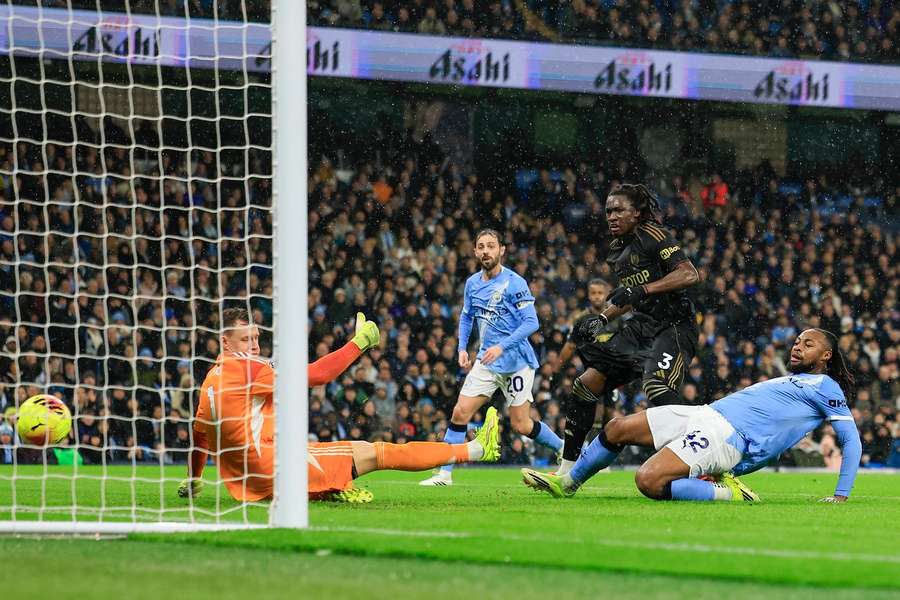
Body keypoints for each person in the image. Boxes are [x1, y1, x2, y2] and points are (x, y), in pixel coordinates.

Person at [179, 308, 501, 504]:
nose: (254, 345)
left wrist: (194, 480)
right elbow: (319, 375)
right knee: (377, 452)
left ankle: (330, 487)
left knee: (352, 453)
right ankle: (475, 450)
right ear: (225, 342)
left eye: (256, 338)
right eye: (245, 340)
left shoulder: (211, 380)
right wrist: (359, 343)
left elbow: (201, 438)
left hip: (248, 481)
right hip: (273, 468)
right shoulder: (249, 370)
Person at [522, 329, 862, 503]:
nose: (798, 346)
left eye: (808, 344)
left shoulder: (826, 386)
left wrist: (841, 493)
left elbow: (850, 440)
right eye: (798, 341)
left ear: (826, 355)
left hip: (727, 438)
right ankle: (567, 484)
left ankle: (729, 493)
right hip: (705, 413)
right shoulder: (796, 380)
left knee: (649, 481)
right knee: (616, 427)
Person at [555, 183, 700, 479]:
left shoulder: (653, 234)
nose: (612, 216)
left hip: (673, 326)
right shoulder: (617, 251)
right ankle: (566, 470)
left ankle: (704, 458)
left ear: (637, 213)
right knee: (586, 384)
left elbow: (689, 274)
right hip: (641, 327)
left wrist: (642, 290)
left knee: (656, 387)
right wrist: (604, 317)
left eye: (619, 210)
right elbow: (627, 298)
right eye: (608, 211)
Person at [419, 229, 563, 486]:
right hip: (486, 362)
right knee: (460, 412)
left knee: (521, 425)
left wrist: (502, 346)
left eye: (491, 246)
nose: (486, 251)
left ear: (501, 250)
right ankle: (444, 475)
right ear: (475, 251)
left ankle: (563, 448)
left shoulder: (515, 282)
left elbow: (532, 322)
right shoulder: (472, 283)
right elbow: (466, 316)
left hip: (516, 363)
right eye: (481, 247)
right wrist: (462, 348)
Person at [550, 278, 620, 475]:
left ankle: (602, 455)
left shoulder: (618, 316)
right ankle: (589, 453)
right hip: (592, 373)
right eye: (593, 293)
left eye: (600, 293)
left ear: (607, 293)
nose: (597, 296)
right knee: (593, 414)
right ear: (588, 295)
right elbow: (571, 345)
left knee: (609, 415)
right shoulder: (582, 319)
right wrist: (556, 370)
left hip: (615, 374)